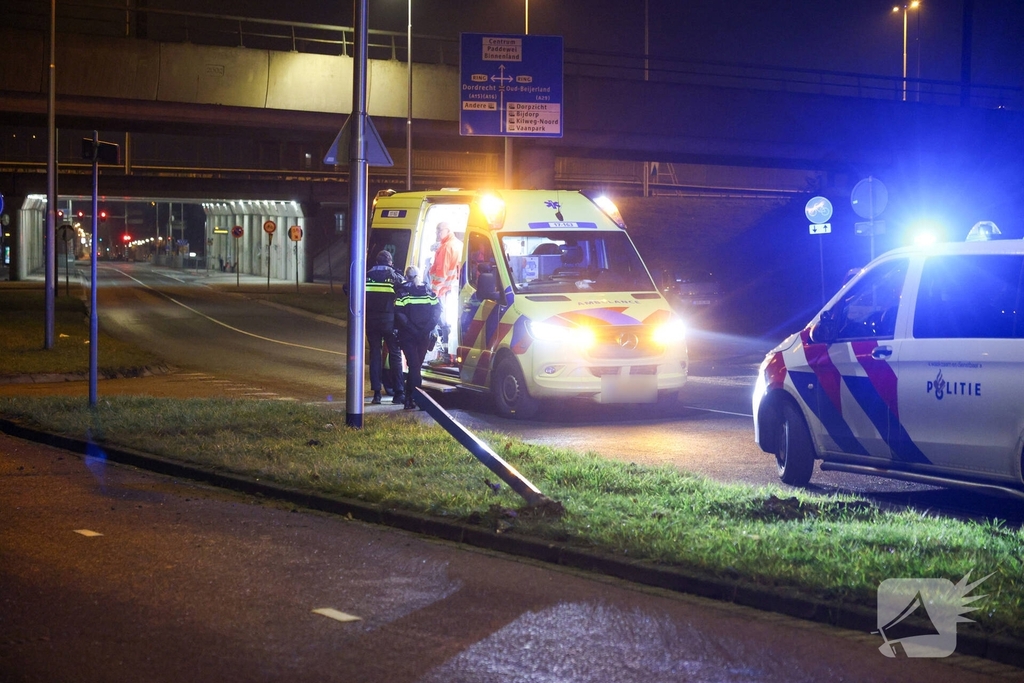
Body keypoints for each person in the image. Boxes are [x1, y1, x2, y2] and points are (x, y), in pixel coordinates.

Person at [395, 266, 441, 410]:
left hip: (408, 336)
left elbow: (399, 314)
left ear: (406, 276)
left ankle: (413, 398)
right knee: (416, 367)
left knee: (413, 366)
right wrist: (426, 329)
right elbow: (437, 312)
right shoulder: (428, 292)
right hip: (424, 336)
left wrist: (412, 329)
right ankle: (412, 398)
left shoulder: (402, 292)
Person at [365, 250, 405, 405]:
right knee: (395, 354)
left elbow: (348, 288)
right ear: (390, 262)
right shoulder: (395, 277)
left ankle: (376, 394)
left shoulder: (366, 276)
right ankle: (399, 393)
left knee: (375, 354)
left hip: (371, 322)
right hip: (390, 322)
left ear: (376, 262)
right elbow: (404, 293)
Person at [427, 222, 462, 364]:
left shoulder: (446, 248)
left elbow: (440, 273)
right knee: (450, 325)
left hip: (443, 292)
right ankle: (450, 355)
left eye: (439, 231)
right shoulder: (457, 244)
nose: (437, 233)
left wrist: (433, 293)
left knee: (443, 324)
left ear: (447, 230)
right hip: (454, 290)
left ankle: (445, 356)